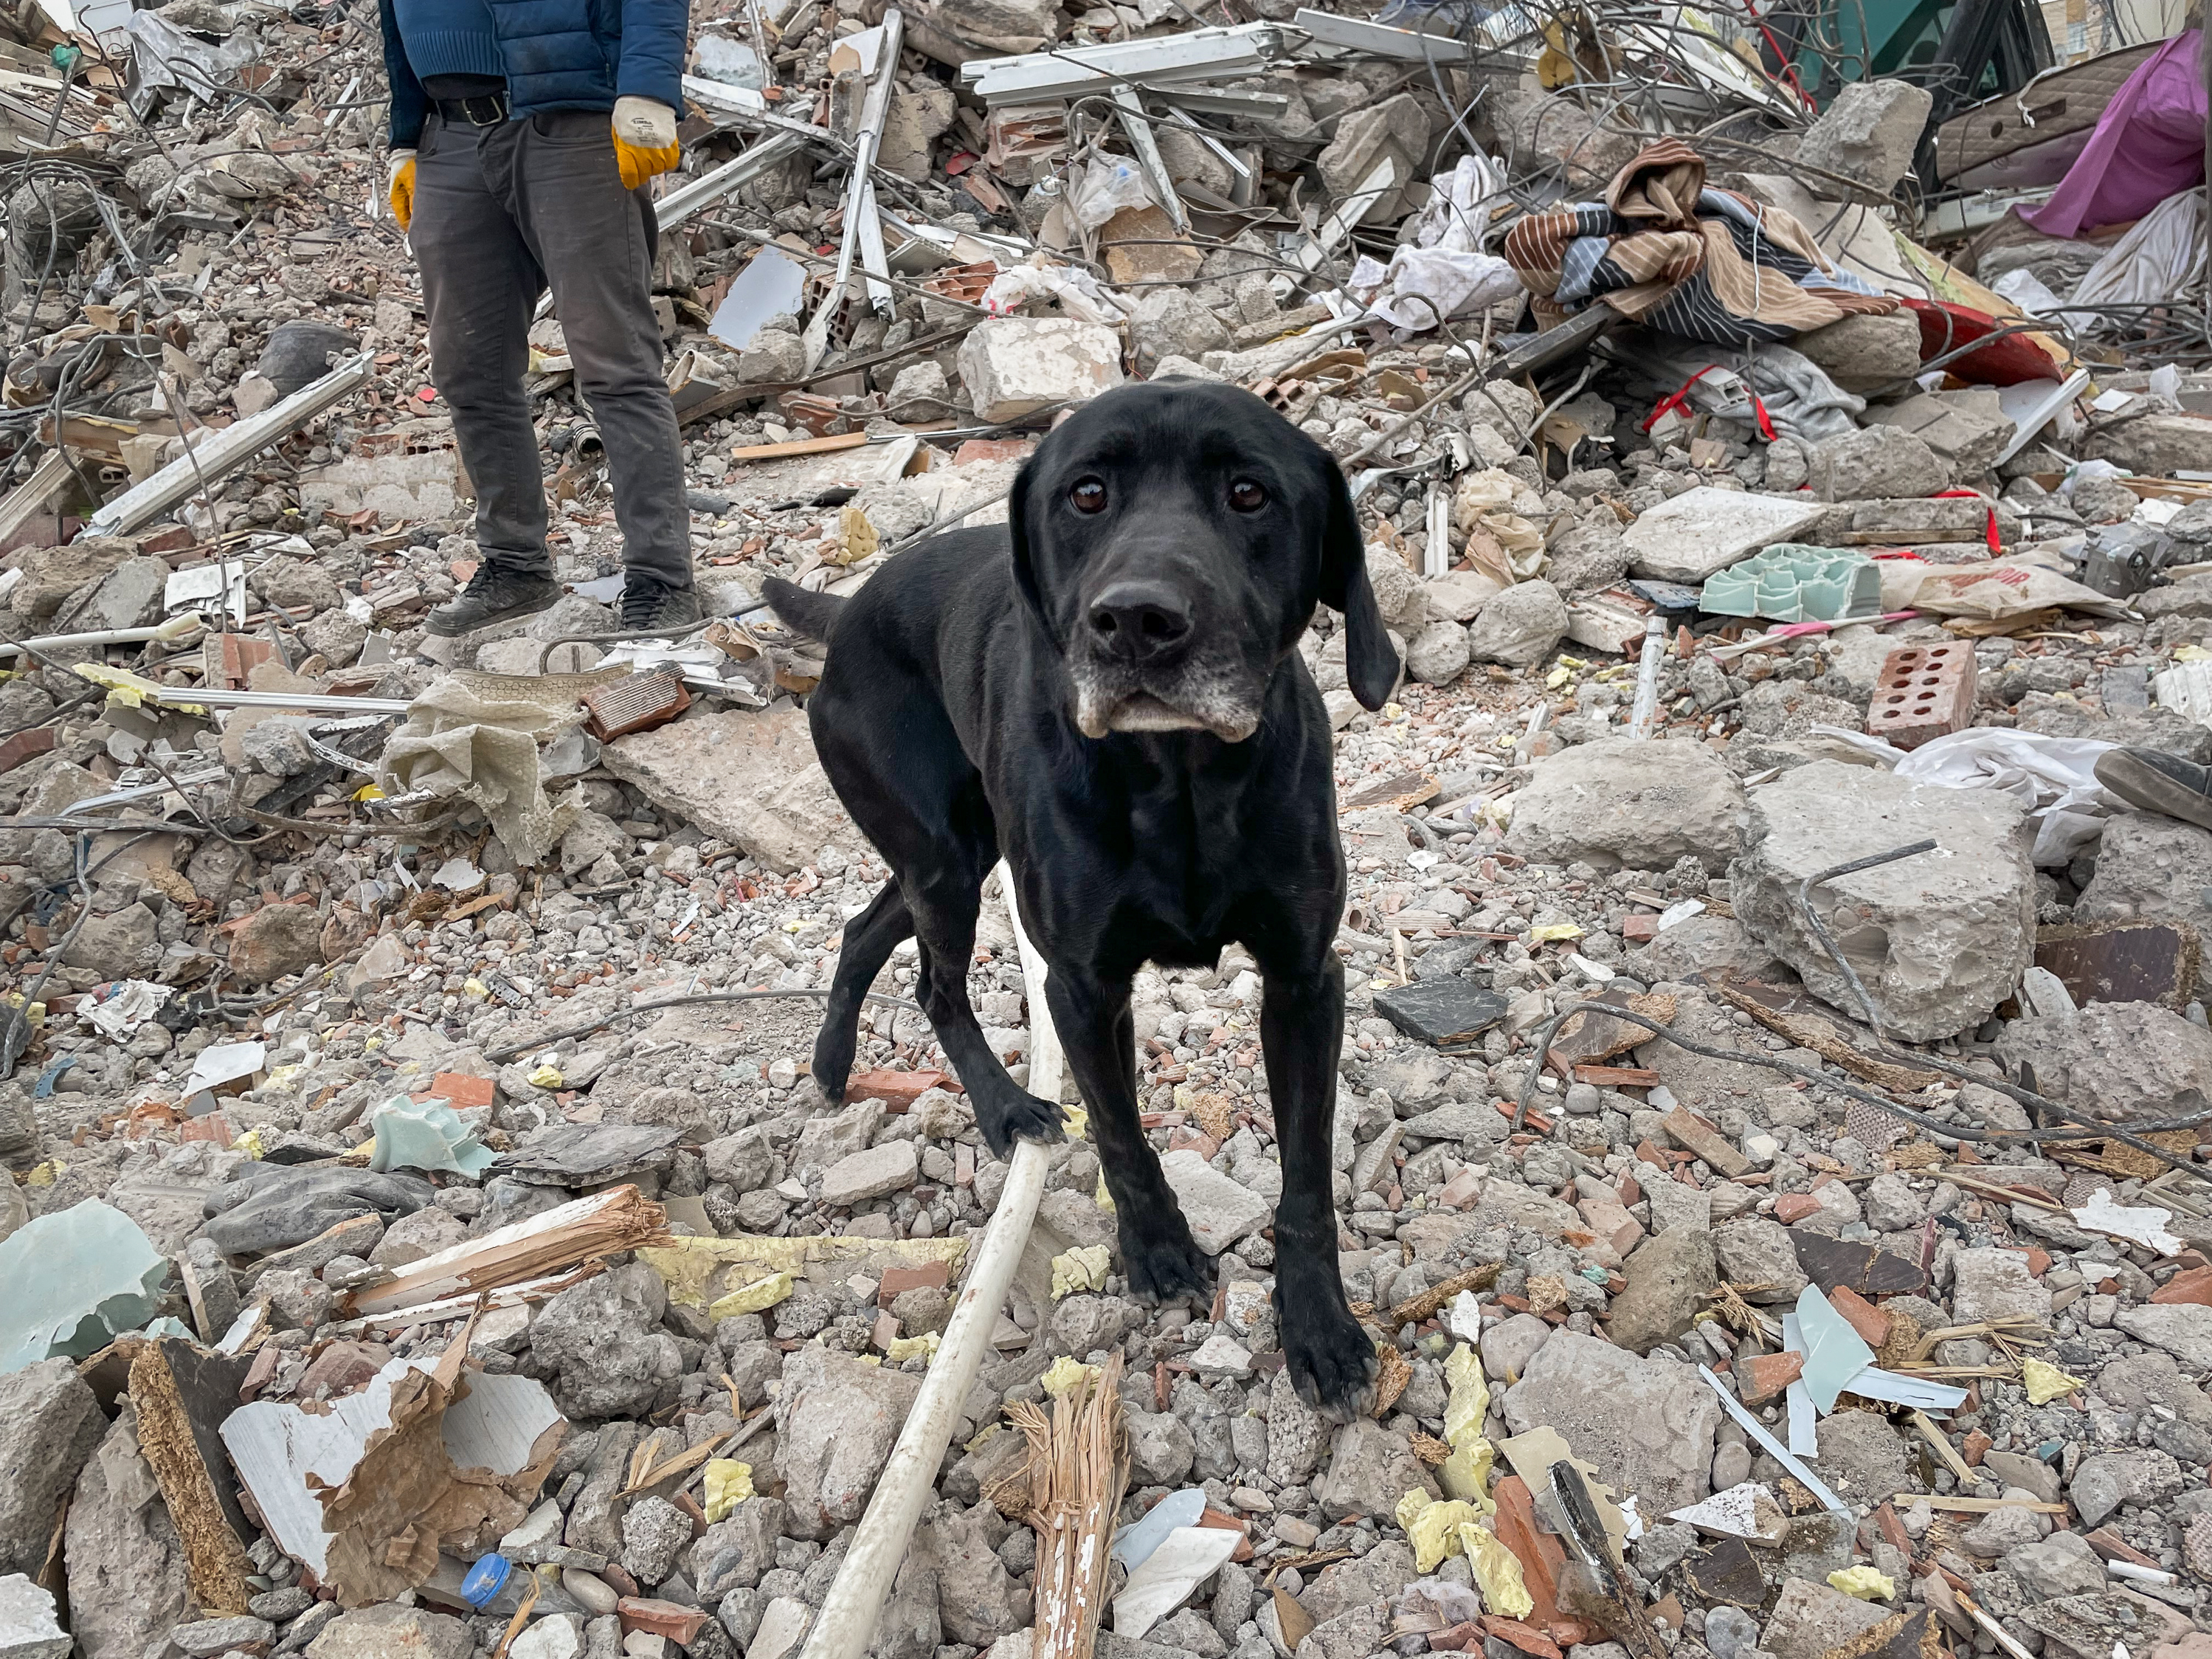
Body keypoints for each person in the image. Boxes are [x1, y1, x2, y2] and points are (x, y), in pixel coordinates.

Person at [377, 0, 701, 636]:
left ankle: (662, 578)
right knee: (468, 368)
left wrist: (647, 87)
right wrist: (405, 135)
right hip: (451, 138)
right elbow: (395, 20)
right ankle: (516, 565)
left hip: (568, 127)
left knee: (614, 362)